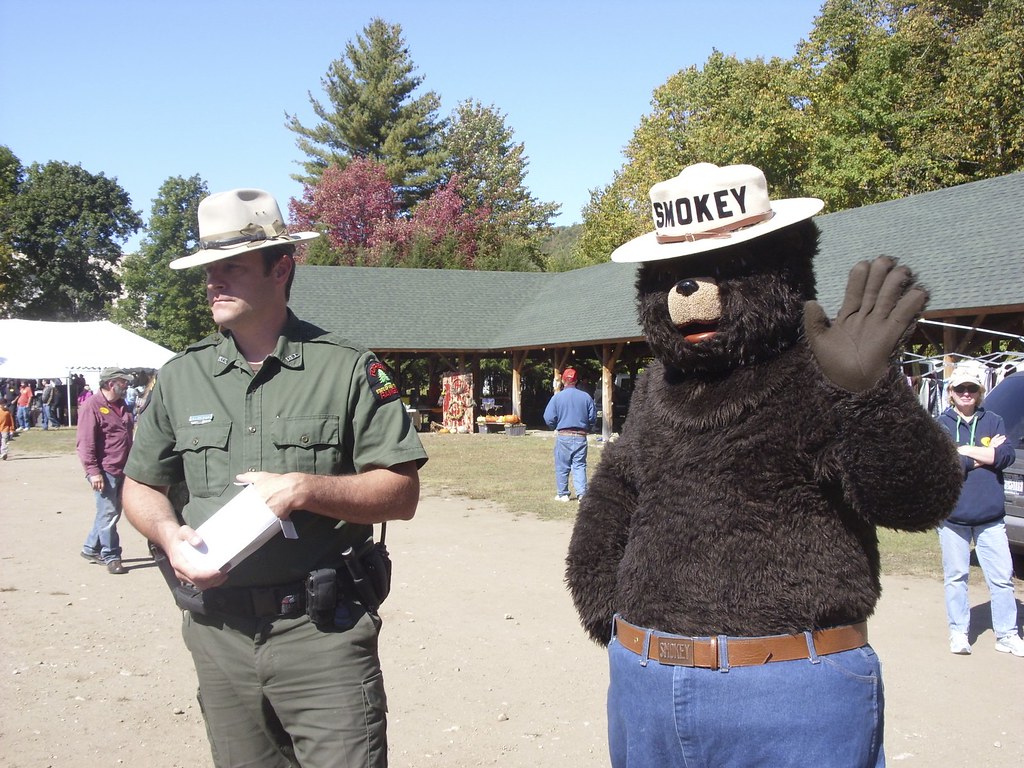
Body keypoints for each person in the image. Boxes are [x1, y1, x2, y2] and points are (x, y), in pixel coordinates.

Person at [122, 188, 427, 768]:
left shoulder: (348, 369)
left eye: (231, 267)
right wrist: (165, 534)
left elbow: (401, 491)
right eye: (208, 270)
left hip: (321, 634)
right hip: (218, 635)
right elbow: (141, 485)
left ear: (281, 267)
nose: (214, 282)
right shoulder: (181, 377)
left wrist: (306, 488)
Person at [937, 363, 1024, 656]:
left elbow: (1006, 456)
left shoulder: (994, 420)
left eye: (971, 388)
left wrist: (964, 451)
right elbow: (943, 465)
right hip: (953, 518)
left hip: (991, 518)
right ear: (951, 393)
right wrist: (985, 456)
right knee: (956, 577)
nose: (965, 393)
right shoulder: (940, 425)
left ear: (980, 392)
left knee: (1001, 578)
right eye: (960, 388)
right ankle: (958, 633)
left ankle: (1007, 635)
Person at [76, 368, 135, 575]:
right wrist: (94, 472)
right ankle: (112, 555)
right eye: (123, 381)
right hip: (104, 470)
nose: (127, 385)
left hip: (123, 467)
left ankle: (91, 548)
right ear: (111, 383)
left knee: (109, 512)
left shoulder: (122, 405)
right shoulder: (91, 406)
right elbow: (85, 443)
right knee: (109, 513)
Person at [543, 367, 596, 501]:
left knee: (562, 465)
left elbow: (548, 417)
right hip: (581, 436)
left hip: (564, 435)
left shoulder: (557, 397)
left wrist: (554, 426)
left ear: (563, 380)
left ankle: (563, 493)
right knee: (579, 465)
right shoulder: (586, 397)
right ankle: (582, 494)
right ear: (576, 380)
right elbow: (593, 417)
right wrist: (587, 428)